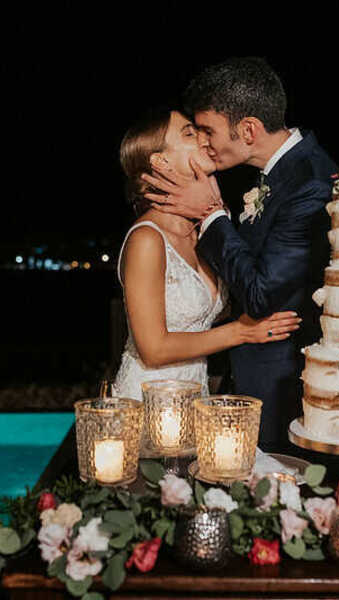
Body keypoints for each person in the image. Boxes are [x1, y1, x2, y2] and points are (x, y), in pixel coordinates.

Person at [141, 58, 337, 452]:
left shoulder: (310, 183)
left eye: (208, 131)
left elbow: (263, 295)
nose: (204, 142)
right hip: (246, 379)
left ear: (248, 129)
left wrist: (211, 214)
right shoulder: (279, 175)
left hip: (283, 389)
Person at [111, 108, 301, 405]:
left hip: (194, 401)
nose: (203, 138)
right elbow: (154, 347)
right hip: (146, 401)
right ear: (160, 161)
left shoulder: (204, 232)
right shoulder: (147, 239)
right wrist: (242, 332)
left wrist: (216, 213)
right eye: (189, 133)